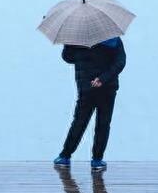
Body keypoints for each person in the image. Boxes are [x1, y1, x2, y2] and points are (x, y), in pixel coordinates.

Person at [54, 37, 126, 172]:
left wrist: (67, 43)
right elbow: (120, 62)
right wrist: (103, 79)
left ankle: (65, 156)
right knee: (103, 124)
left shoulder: (77, 37)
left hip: (86, 87)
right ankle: (97, 160)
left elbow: (68, 58)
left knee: (79, 122)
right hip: (107, 86)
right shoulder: (112, 38)